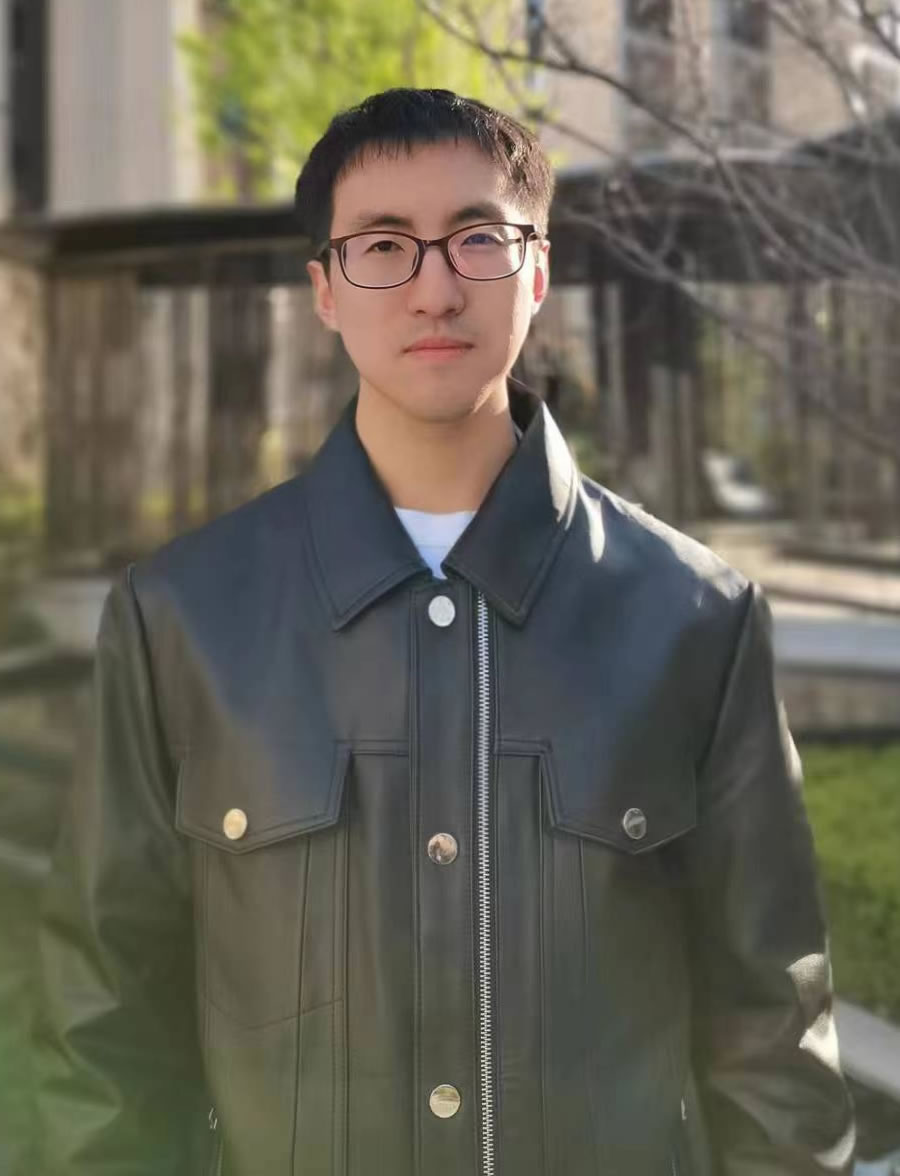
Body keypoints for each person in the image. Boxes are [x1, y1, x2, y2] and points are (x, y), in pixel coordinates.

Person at [35, 87, 855, 1176]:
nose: (434, 287)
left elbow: (773, 1042)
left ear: (539, 271)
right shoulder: (182, 616)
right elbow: (102, 1028)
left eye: (477, 238)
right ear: (325, 290)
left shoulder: (694, 618)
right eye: (384, 245)